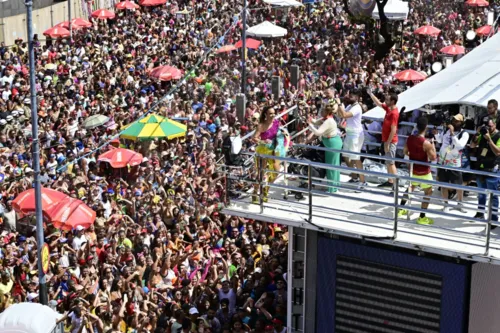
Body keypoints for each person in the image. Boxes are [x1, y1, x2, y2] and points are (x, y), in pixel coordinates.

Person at [397, 117, 437, 225]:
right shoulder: (426, 143)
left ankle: (400, 209)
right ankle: (422, 217)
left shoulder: (409, 138)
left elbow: (405, 151)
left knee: (410, 188)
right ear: (426, 127)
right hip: (424, 171)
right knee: (428, 192)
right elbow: (433, 158)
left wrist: (413, 156)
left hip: (413, 169)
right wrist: (433, 144)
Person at [252, 106, 291, 204]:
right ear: (265, 114)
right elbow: (254, 138)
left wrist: (285, 140)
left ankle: (265, 190)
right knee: (260, 174)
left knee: (276, 172)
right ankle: (255, 192)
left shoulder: (277, 123)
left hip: (274, 150)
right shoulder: (261, 125)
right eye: (270, 113)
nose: (273, 115)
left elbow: (281, 134)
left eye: (274, 113)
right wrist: (263, 141)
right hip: (263, 151)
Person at [436, 113, 469, 213]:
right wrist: (436, 134)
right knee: (443, 183)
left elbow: (460, 146)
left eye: (457, 121)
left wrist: (452, 134)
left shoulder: (464, 134)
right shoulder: (446, 130)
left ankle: (460, 203)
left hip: (454, 163)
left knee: (458, 185)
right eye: (453, 120)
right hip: (443, 161)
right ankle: (445, 204)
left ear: (461, 123)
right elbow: (440, 140)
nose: (454, 122)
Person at [470, 117, 500, 226]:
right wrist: (477, 134)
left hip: (493, 169)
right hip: (480, 168)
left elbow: (498, 152)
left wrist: (489, 140)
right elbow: (472, 145)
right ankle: (480, 213)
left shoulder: (498, 135)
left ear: (495, 125)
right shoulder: (482, 134)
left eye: (490, 126)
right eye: (487, 126)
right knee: (481, 194)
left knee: (493, 196)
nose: (488, 128)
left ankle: (493, 219)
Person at [336, 90, 367, 192]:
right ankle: (355, 176)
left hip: (356, 135)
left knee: (356, 158)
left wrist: (339, 103)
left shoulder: (357, 107)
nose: (349, 97)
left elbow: (344, 115)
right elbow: (341, 114)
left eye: (352, 96)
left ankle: (363, 182)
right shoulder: (350, 106)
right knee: (345, 156)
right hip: (349, 134)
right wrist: (338, 105)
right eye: (349, 95)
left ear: (357, 97)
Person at [367, 89, 399, 190]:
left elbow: (393, 130)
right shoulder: (389, 109)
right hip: (386, 141)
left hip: (390, 142)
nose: (385, 101)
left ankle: (395, 185)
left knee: (391, 163)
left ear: (392, 101)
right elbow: (379, 104)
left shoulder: (394, 113)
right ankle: (390, 181)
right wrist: (371, 94)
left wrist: (388, 143)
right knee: (388, 162)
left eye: (388, 99)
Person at [308, 105, 343, 193]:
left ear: (327, 112)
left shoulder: (329, 121)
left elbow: (318, 132)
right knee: (334, 165)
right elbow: (316, 122)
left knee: (331, 166)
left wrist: (310, 126)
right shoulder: (326, 119)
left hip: (332, 144)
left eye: (322, 111)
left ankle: (332, 189)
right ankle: (335, 186)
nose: (321, 112)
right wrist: (309, 118)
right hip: (332, 143)